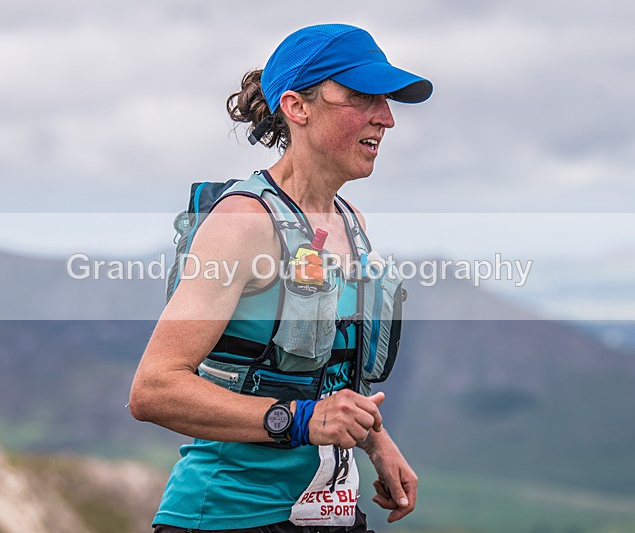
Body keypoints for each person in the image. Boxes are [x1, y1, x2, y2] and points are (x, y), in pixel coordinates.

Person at [129, 23, 432, 532]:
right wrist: (301, 421)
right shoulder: (244, 223)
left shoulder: (349, 221)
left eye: (386, 100)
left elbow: (327, 380)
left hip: (329, 516)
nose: (386, 117)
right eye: (361, 96)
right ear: (297, 107)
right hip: (226, 516)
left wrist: (375, 439)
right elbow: (154, 389)